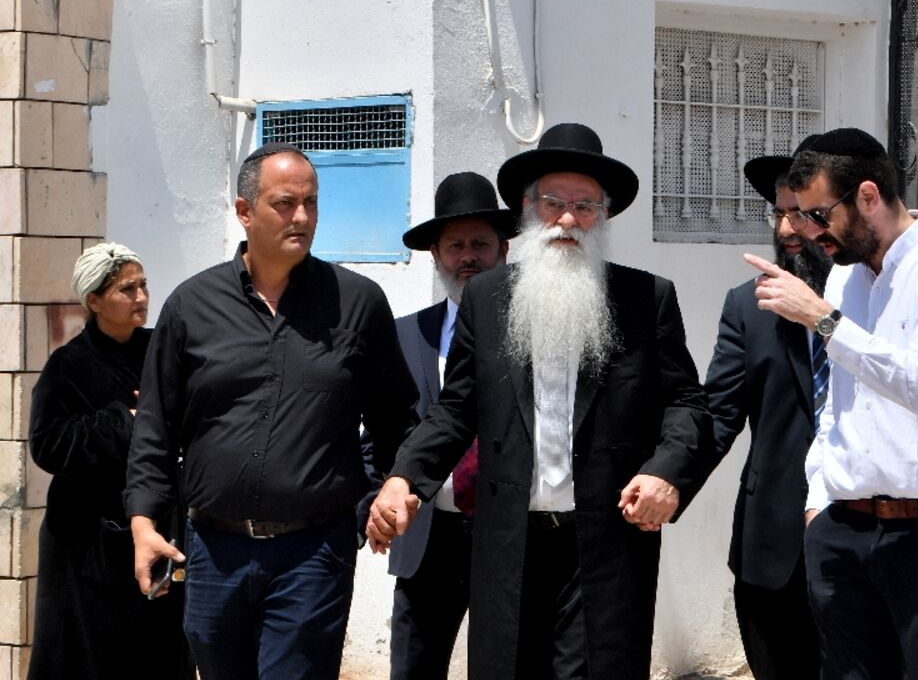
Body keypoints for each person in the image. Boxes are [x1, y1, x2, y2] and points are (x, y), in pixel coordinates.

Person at [367, 122, 713, 679]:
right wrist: (405, 476)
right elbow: (457, 410)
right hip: (509, 543)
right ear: (529, 210)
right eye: (554, 204)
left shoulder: (644, 299)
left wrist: (665, 473)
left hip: (603, 546)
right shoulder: (487, 298)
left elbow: (688, 404)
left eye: (585, 206)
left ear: (603, 216)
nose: (569, 220)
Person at [125, 142, 418, 680]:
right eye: (285, 203)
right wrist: (143, 522)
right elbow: (156, 427)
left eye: (311, 203)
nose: (302, 217)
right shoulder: (191, 306)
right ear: (244, 211)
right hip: (212, 550)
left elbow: (398, 417)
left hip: (315, 552)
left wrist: (388, 488)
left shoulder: (358, 303)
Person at [745, 127, 918, 679]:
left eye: (819, 214)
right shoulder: (844, 280)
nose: (809, 231)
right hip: (842, 531)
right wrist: (820, 501)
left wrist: (820, 318)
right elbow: (837, 405)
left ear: (867, 196)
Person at [27, 243, 194, 680]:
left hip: (157, 527)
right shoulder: (68, 366)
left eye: (143, 286)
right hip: (86, 548)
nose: (141, 297)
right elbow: (47, 444)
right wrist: (126, 421)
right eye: (126, 289)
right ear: (95, 301)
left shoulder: (160, 350)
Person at [382, 171, 518, 679]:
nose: (468, 256)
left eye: (480, 244)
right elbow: (381, 433)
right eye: (454, 245)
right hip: (427, 539)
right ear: (435, 255)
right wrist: (370, 508)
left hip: (506, 535)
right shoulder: (403, 335)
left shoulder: (535, 329)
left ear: (504, 250)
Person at [701, 137, 828, 680]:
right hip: (772, 542)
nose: (785, 230)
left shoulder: (880, 301)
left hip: (865, 538)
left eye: (801, 215)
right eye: (779, 214)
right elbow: (718, 414)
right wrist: (663, 475)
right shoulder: (745, 306)